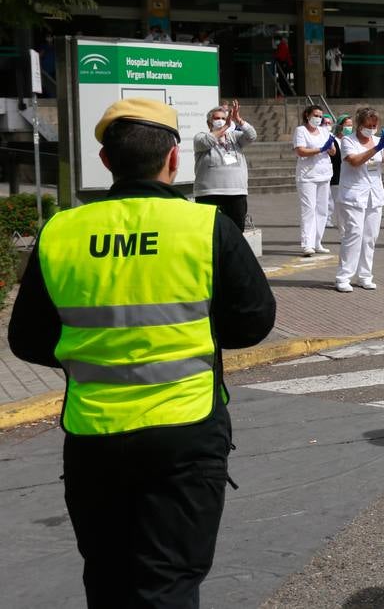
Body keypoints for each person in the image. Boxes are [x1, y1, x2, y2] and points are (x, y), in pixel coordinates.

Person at [7, 98, 275, 607]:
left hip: (93, 435)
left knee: (107, 578)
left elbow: (26, 340)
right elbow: (255, 321)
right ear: (174, 158)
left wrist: (93, 352)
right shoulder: (206, 227)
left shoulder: (60, 231)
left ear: (107, 162)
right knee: (169, 583)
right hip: (185, 431)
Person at [335, 108, 384, 292]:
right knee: (354, 234)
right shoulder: (348, 141)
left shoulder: (378, 140)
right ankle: (343, 277)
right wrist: (376, 148)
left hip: (374, 195)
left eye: (374, 125)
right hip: (353, 195)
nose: (371, 128)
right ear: (359, 125)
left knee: (370, 237)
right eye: (368, 125)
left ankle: (364, 275)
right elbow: (354, 161)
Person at [193, 100, 257, 232]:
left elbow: (252, 136)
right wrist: (225, 126)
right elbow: (208, 141)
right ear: (209, 122)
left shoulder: (234, 137)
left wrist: (238, 120)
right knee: (208, 232)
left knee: (236, 232)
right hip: (209, 193)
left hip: (236, 192)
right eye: (217, 118)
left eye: (223, 118)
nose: (221, 121)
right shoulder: (200, 137)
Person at [294, 104, 337, 256]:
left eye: (320, 116)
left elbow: (333, 152)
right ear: (307, 115)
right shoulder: (301, 130)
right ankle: (307, 244)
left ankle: (317, 242)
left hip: (324, 174)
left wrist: (330, 145)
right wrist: (320, 149)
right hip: (307, 176)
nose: (318, 118)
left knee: (322, 210)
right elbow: (300, 151)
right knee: (309, 209)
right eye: (316, 115)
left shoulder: (325, 131)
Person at [329, 114, 352, 235]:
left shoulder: (352, 140)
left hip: (351, 178)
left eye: (351, 125)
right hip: (337, 178)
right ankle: (343, 234)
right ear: (340, 126)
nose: (350, 127)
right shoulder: (333, 140)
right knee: (340, 208)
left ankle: (351, 231)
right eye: (347, 125)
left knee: (350, 207)